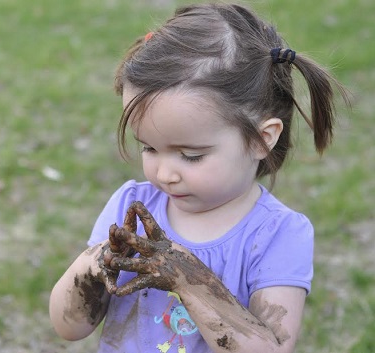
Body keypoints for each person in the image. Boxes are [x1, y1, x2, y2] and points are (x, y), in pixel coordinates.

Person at [49, 3, 349, 353]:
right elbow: (69, 327)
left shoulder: (277, 235)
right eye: (148, 148)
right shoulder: (131, 207)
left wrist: (187, 278)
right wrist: (94, 261)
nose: (164, 173)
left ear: (261, 139)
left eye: (191, 155)